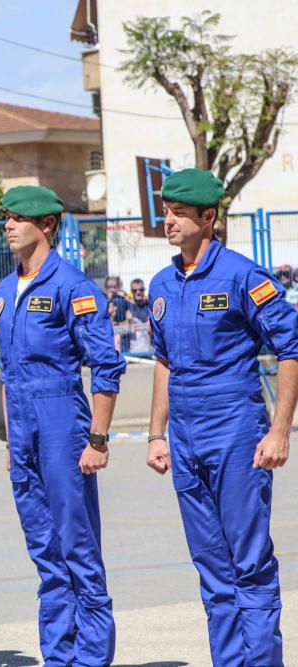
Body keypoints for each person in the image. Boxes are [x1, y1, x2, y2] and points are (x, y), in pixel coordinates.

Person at [146, 169, 298, 667]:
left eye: (179, 213)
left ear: (208, 218)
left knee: (249, 564)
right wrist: (155, 435)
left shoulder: (242, 276)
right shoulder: (162, 284)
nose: (168, 221)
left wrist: (279, 431)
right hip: (186, 442)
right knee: (211, 568)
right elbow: (163, 362)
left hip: (236, 434)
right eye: (166, 211)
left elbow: (289, 348)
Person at [0, 185, 125, 667]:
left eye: (17, 218)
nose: (7, 226)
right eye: (6, 218)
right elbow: (7, 374)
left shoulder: (73, 286)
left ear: (46, 225)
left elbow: (105, 367)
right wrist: (11, 440)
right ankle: (59, 655)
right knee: (46, 554)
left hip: (62, 425)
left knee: (77, 548)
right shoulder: (4, 292)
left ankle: (90, 658)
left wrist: (98, 438)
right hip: (23, 431)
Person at [127, 279, 151, 354]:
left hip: (148, 340)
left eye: (141, 290)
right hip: (132, 341)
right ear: (131, 291)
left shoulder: (149, 304)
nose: (138, 292)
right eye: (135, 290)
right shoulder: (126, 305)